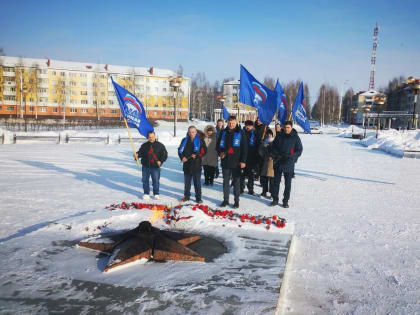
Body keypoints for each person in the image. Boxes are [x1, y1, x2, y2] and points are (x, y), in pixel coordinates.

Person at [216, 116, 248, 208]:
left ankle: (236, 201)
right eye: (229, 123)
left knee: (236, 182)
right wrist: (220, 153)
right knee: (226, 182)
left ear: (236, 122)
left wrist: (243, 161)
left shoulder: (241, 133)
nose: (231, 125)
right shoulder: (223, 132)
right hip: (225, 162)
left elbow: (245, 149)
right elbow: (218, 146)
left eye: (233, 123)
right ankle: (225, 200)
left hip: (237, 163)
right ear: (227, 123)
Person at [270, 121, 303, 208]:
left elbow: (299, 150)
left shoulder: (295, 137)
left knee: (288, 184)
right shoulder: (279, 136)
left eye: (288, 128)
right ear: (283, 127)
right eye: (285, 127)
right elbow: (273, 147)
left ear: (291, 128)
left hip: (289, 163)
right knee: (276, 183)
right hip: (278, 162)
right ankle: (275, 199)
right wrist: (276, 154)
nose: (286, 129)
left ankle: (285, 201)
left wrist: (292, 156)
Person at [134, 131, 168, 200]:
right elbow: (140, 153)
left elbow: (165, 155)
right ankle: (146, 193)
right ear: (147, 137)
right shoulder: (144, 145)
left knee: (155, 180)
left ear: (155, 136)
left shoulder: (160, 145)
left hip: (155, 167)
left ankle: (156, 194)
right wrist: (137, 155)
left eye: (152, 137)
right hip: (146, 166)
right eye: (149, 137)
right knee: (145, 180)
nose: (151, 138)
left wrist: (160, 161)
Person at [178, 126, 207, 203]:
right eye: (190, 132)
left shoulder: (200, 141)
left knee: (197, 183)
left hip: (196, 165)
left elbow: (204, 151)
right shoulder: (184, 140)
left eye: (193, 132)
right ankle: (186, 196)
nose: (191, 134)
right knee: (187, 183)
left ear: (196, 132)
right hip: (187, 164)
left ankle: (198, 198)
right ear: (188, 132)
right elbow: (180, 150)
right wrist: (182, 157)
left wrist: (197, 155)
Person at [240, 120, 258, 195]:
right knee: (242, 174)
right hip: (242, 157)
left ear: (252, 126)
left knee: (251, 175)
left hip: (252, 157)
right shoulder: (241, 133)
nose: (248, 127)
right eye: (247, 125)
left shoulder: (255, 134)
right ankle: (241, 188)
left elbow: (258, 144)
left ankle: (250, 189)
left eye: (250, 126)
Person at [258, 128, 275, 199]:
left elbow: (277, 151)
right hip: (264, 161)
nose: (269, 135)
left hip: (272, 162)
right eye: (268, 134)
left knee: (271, 179)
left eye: (270, 134)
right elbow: (260, 150)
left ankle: (272, 193)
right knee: (264, 178)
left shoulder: (275, 142)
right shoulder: (263, 142)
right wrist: (264, 154)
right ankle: (264, 191)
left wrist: (272, 155)